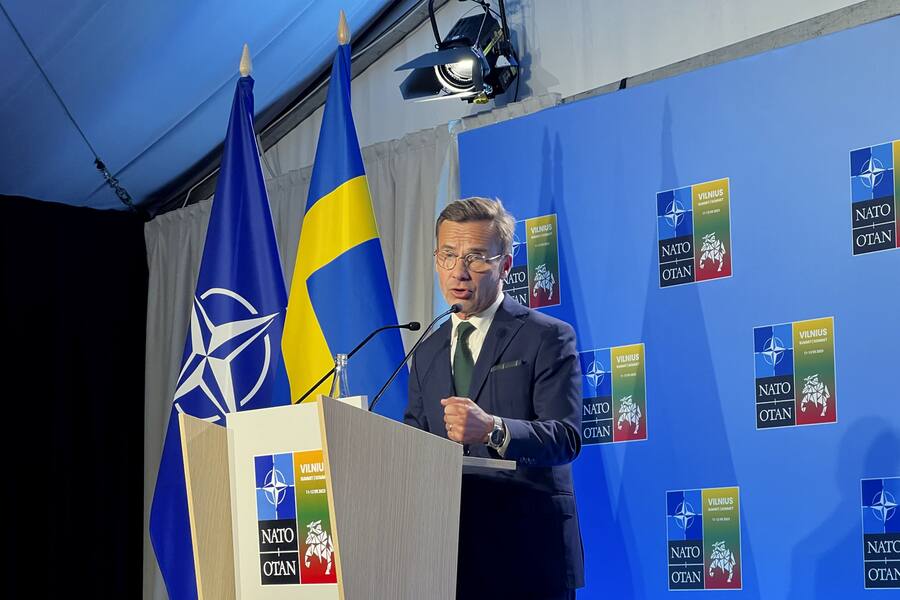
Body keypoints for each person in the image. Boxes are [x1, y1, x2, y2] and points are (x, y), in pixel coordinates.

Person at [404, 197, 584, 600]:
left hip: (527, 553)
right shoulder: (427, 350)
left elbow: (566, 437)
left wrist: (493, 429)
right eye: (448, 255)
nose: (459, 272)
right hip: (446, 557)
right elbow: (413, 442)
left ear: (506, 264)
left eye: (476, 258)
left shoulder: (547, 336)